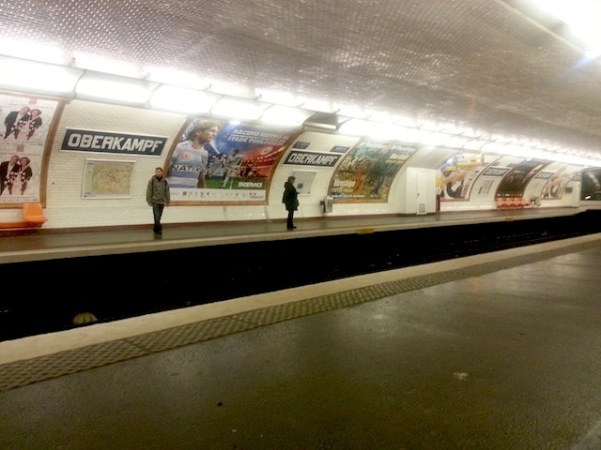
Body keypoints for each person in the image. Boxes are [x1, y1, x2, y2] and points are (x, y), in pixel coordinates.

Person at [168, 121, 220, 189]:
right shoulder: (180, 147)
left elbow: (200, 176)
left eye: (216, 132)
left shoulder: (205, 154)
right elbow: (165, 170)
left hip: (190, 195)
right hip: (171, 193)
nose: (215, 134)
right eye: (212, 131)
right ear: (198, 132)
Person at [146, 167, 170, 234]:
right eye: (156, 172)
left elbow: (167, 192)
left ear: (161, 172)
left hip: (162, 202)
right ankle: (159, 229)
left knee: (159, 216)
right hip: (155, 201)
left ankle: (155, 228)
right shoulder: (152, 181)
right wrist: (149, 200)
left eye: (159, 171)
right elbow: (149, 191)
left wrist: (168, 200)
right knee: (156, 216)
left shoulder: (165, 182)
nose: (157, 173)